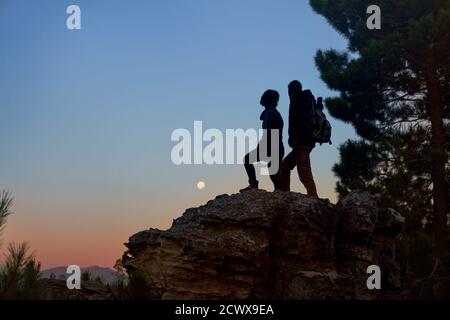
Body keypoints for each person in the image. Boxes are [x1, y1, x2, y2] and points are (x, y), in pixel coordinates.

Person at [240, 90, 285, 192]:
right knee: (273, 174)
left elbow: (268, 132)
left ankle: (253, 185)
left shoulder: (269, 113)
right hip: (278, 147)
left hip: (271, 146)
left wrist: (262, 145)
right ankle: (280, 192)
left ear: (265, 100)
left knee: (247, 159)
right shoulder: (275, 113)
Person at [280, 80, 318, 196]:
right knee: (284, 167)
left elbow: (299, 124)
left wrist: (296, 142)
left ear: (290, 91)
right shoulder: (307, 100)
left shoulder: (297, 101)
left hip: (301, 143)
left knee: (304, 173)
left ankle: (314, 198)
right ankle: (285, 194)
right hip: (307, 142)